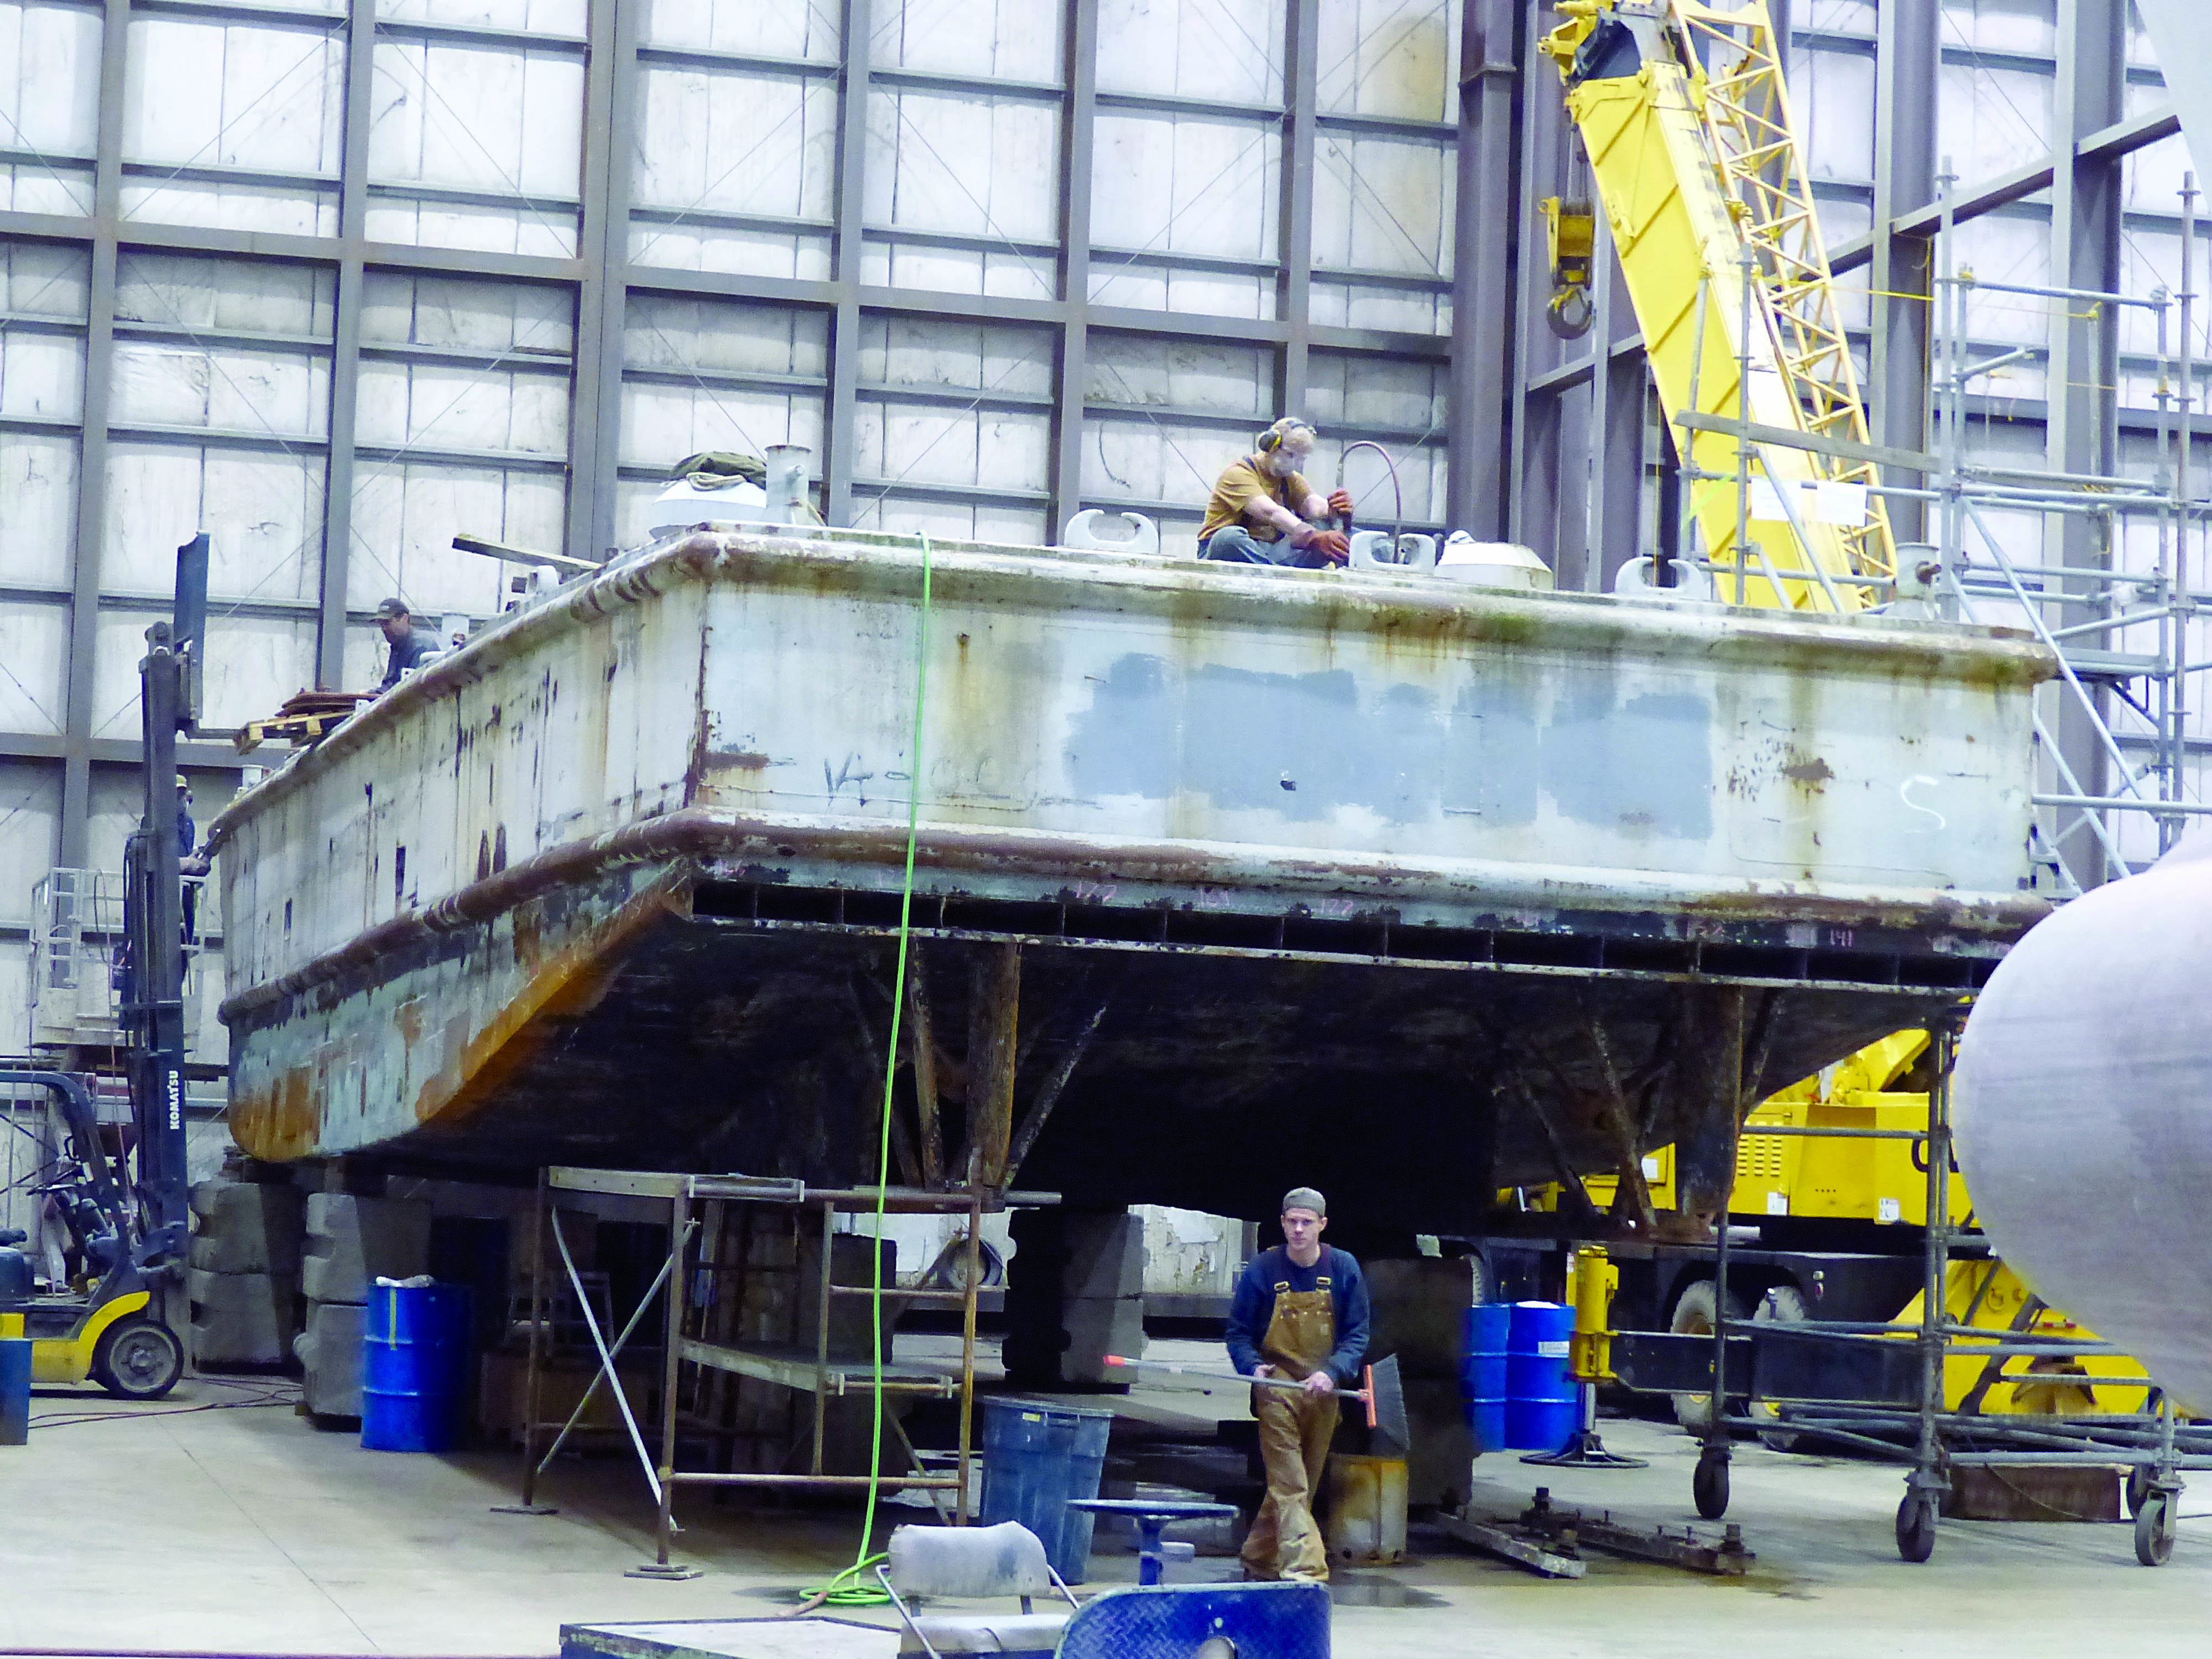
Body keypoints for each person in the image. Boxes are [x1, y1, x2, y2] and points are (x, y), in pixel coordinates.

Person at [1225, 1186, 1370, 1582]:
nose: (1299, 1230)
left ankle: (1259, 1556)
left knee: (1301, 1481)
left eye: (1307, 1223)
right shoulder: (1263, 1269)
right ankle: (1305, 1569)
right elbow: (1238, 1332)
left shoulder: (1343, 1268)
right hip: (1277, 1387)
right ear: (1283, 1223)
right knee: (1290, 1483)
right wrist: (1251, 1366)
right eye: (1292, 1222)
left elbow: (1357, 1334)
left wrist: (1334, 1371)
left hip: (1323, 1389)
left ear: (1323, 1225)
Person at [1197, 419, 1355, 567]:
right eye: (1290, 455)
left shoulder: (1290, 479)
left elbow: (1313, 506)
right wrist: (1312, 536)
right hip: (1226, 551)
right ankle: (1277, 575)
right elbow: (1271, 513)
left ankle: (1272, 571)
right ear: (1271, 446)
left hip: (1267, 553)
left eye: (1302, 458)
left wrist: (1335, 510)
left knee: (1335, 533)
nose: (1296, 463)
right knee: (1228, 538)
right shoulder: (1238, 474)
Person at [374, 598, 443, 693]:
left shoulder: (422, 646)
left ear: (405, 619)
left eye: (387, 623)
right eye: (381, 624)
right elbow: (389, 685)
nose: (384, 629)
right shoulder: (397, 645)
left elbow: (413, 689)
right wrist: (371, 694)